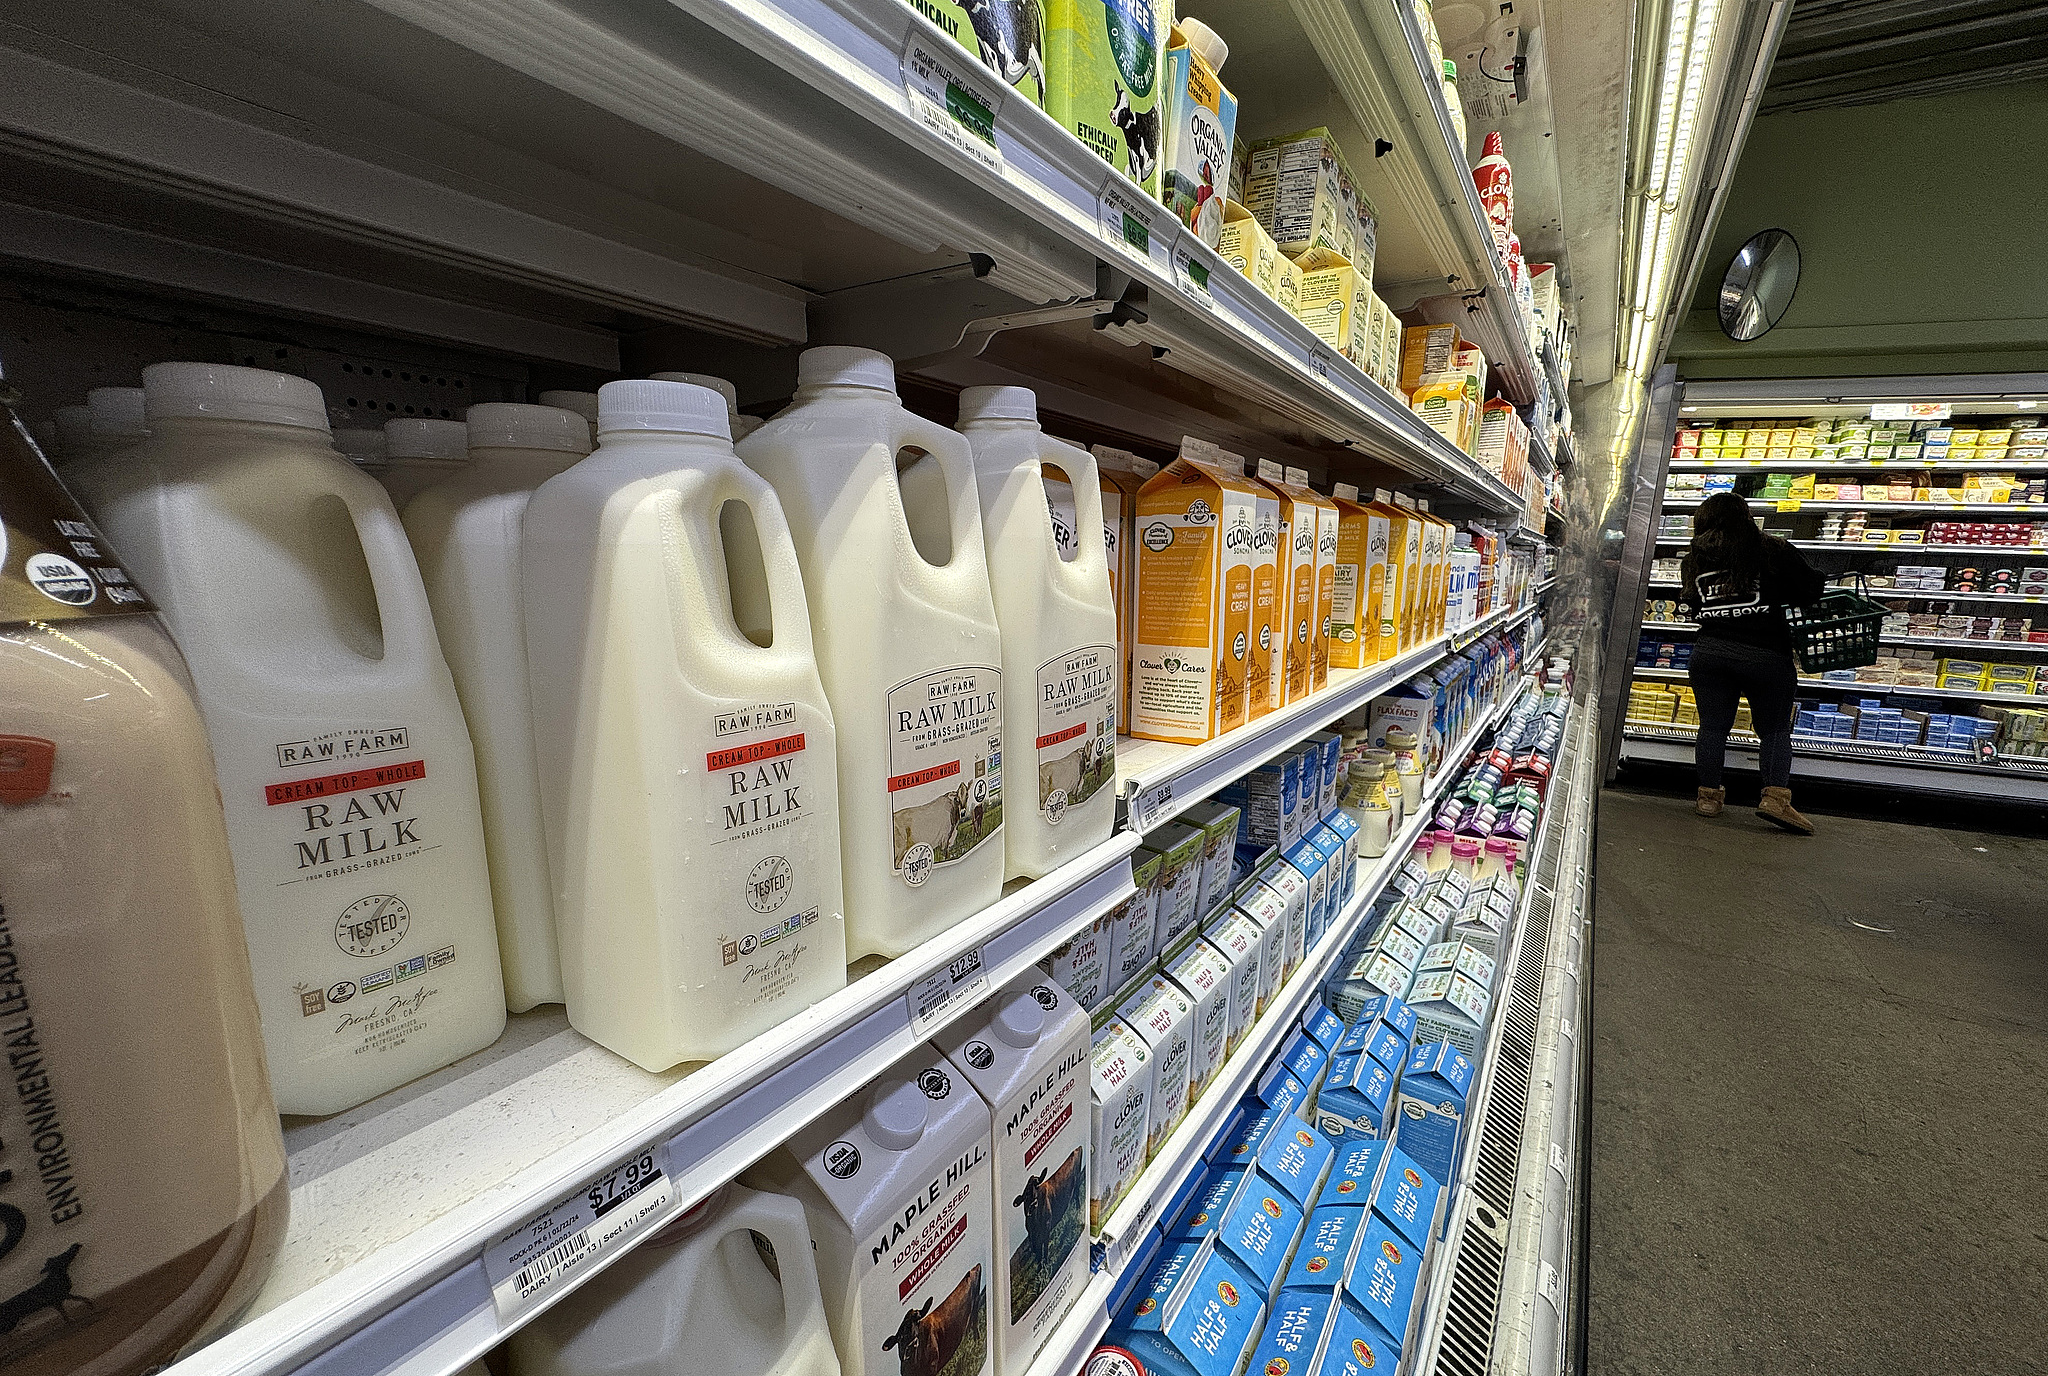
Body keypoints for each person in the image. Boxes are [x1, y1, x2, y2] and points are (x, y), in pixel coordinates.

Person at [1678, 491, 1826, 833]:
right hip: (1766, 654)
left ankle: (1708, 798)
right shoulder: (1771, 549)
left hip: (1711, 652)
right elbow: (1810, 589)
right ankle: (1775, 800)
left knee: (1713, 727)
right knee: (1774, 730)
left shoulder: (1694, 558)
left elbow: (1692, 603)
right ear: (1745, 518)